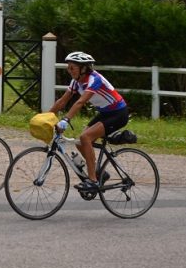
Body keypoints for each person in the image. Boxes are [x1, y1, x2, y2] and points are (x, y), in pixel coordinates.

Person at [48, 51, 128, 192]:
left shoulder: (94, 79)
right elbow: (63, 101)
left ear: (83, 68)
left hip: (118, 113)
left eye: (72, 67)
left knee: (86, 137)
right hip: (105, 113)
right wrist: (46, 117)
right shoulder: (76, 82)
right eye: (68, 67)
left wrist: (66, 119)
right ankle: (100, 174)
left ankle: (93, 181)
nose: (69, 70)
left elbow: (81, 102)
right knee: (80, 142)